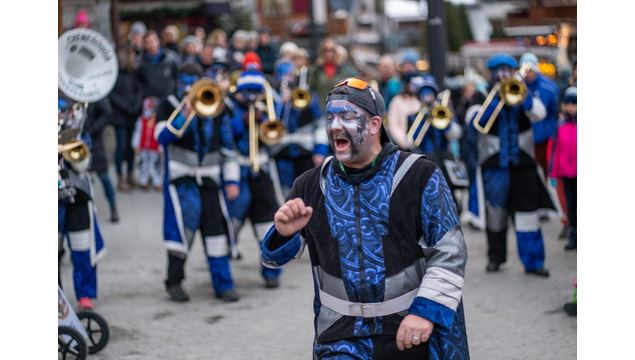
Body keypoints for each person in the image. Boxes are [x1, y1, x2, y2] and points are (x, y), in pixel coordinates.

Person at [260, 77, 469, 359]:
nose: (335, 127)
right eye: (331, 117)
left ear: (374, 125)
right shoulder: (309, 185)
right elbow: (272, 260)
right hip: (339, 336)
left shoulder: (419, 175)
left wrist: (425, 312)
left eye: (347, 117)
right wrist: (283, 234)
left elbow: (450, 251)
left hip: (409, 330)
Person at [155, 62, 241, 302]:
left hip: (211, 180)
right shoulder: (168, 105)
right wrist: (186, 111)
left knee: (216, 233)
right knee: (183, 230)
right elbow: (162, 137)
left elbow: (228, 147)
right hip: (181, 179)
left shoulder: (219, 107)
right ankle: (174, 282)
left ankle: (223, 284)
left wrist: (232, 180)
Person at [469, 53, 556, 276]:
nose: (504, 74)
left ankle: (534, 262)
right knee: (495, 213)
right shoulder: (482, 94)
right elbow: (475, 122)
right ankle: (495, 258)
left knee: (528, 214)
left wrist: (524, 97)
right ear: (492, 73)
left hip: (523, 162)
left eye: (507, 70)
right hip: (494, 162)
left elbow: (540, 113)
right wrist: (496, 101)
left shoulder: (523, 89)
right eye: (499, 71)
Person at [225, 53, 285, 288]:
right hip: (238, 170)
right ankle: (227, 262)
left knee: (267, 221)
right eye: (247, 92)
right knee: (234, 218)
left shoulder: (269, 102)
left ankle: (271, 273)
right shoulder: (230, 107)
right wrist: (243, 120)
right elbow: (226, 135)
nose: (251, 97)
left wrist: (264, 117)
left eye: (255, 92)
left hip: (262, 169)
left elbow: (277, 133)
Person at [58, 98, 107, 311]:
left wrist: (68, 146)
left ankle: (85, 295)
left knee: (81, 248)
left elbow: (84, 164)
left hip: (77, 196)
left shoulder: (79, 127)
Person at [406, 75, 465, 209]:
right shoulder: (413, 117)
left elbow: (456, 135)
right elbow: (412, 141)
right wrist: (424, 119)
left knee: (449, 197)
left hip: (444, 160)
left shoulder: (444, 113)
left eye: (430, 93)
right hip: (423, 161)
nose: (427, 97)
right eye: (423, 94)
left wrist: (447, 122)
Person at [272, 60, 328, 196]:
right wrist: (281, 104)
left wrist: (320, 150)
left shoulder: (307, 96)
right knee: (285, 194)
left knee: (308, 192)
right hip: (281, 153)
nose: (287, 79)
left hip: (305, 152)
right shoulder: (272, 97)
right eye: (284, 75)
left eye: (290, 75)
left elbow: (320, 125)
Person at [109, 45, 143, 192]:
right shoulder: (115, 74)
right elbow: (112, 93)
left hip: (132, 115)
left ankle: (130, 173)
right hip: (120, 116)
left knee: (131, 147)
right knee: (121, 146)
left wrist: (136, 105)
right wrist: (125, 106)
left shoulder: (134, 73)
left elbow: (139, 90)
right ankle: (120, 177)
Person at [548, 87, 577, 250]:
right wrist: (553, 172)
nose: (571, 107)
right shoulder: (560, 125)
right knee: (570, 205)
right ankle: (573, 234)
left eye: (574, 104)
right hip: (566, 172)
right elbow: (555, 150)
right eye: (568, 104)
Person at [84, 97, 120, 223]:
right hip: (75, 140)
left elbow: (107, 112)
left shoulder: (95, 91)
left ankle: (113, 207)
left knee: (104, 176)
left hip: (94, 141)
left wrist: (92, 129)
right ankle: (87, 211)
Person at [308, 37, 359, 113]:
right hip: (320, 110)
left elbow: (355, 83)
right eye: (325, 50)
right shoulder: (316, 69)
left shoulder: (344, 69)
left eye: (332, 50)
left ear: (336, 52)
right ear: (321, 52)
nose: (329, 53)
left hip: (341, 110)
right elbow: (310, 88)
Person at [137, 30, 181, 101]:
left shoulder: (171, 58)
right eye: (147, 43)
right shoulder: (139, 62)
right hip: (150, 101)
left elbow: (178, 77)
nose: (151, 45)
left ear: (158, 41)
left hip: (170, 99)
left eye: (152, 41)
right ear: (144, 45)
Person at [132, 97, 162, 191]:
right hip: (143, 147)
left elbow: (160, 134)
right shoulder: (141, 120)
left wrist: (161, 147)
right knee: (143, 164)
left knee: (154, 165)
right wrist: (135, 145)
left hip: (154, 147)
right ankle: (143, 181)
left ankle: (157, 181)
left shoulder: (158, 121)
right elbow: (137, 132)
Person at [387, 75, 424, 150]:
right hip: (403, 145)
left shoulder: (422, 101)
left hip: (423, 146)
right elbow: (393, 125)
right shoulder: (397, 101)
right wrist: (404, 142)